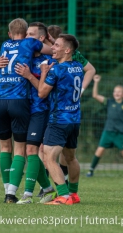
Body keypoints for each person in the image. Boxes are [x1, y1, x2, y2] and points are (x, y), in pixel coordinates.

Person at [0, 18, 52, 204]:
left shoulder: (4, 45)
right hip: (19, 102)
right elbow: (51, 50)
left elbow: (1, 73)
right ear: (26, 33)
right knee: (21, 150)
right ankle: (10, 193)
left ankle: (41, 187)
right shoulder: (30, 43)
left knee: (5, 147)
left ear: (9, 34)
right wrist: (44, 41)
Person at [36, 25, 96, 198]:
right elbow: (90, 70)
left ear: (67, 50)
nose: (52, 48)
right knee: (70, 158)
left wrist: (42, 73)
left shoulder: (56, 69)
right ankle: (74, 194)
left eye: (56, 46)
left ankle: (63, 196)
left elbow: (41, 93)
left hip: (59, 120)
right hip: (74, 119)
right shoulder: (77, 67)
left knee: (49, 158)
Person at [13, 22, 57, 204]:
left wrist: (30, 76)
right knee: (28, 152)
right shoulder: (26, 59)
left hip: (41, 110)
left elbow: (43, 91)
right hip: (24, 109)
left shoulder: (50, 63)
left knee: (32, 150)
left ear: (40, 39)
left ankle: (27, 195)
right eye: (25, 34)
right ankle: (47, 189)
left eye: (30, 34)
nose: (25, 38)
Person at [86, 76, 123, 177]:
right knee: (100, 150)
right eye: (115, 91)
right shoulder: (109, 102)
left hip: (119, 133)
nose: (117, 93)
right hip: (108, 131)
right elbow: (95, 95)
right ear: (113, 93)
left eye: (119, 91)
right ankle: (90, 170)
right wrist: (96, 82)